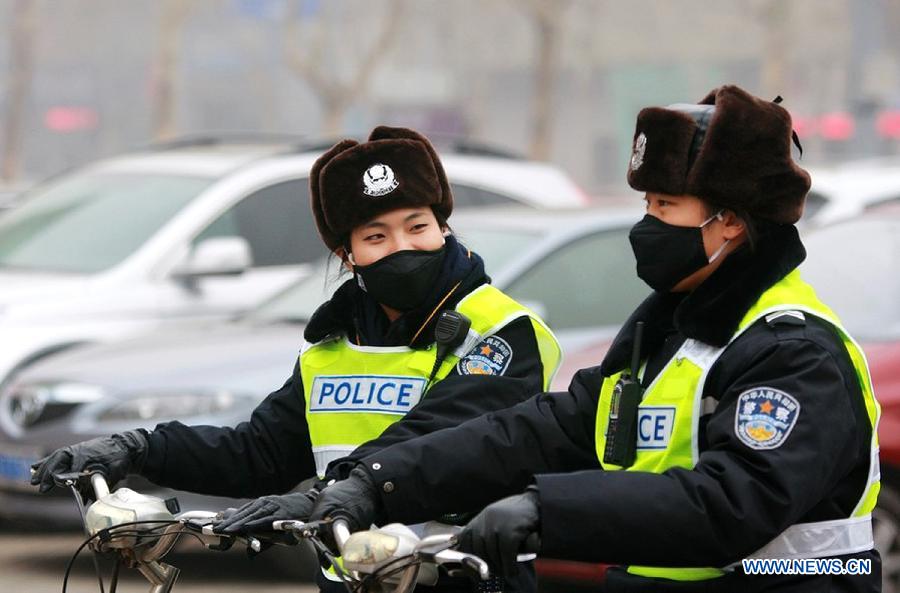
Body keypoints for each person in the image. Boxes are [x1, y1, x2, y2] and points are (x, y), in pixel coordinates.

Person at [304, 86, 882, 592]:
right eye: (646, 204)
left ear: (730, 221)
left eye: (665, 206)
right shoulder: (669, 335)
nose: (646, 225)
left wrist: (544, 510)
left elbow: (729, 505)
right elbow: (539, 430)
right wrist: (376, 483)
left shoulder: (793, 349)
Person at [30, 126, 562, 593]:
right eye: (376, 236)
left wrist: (326, 495)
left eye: (417, 226)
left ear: (443, 226)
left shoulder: (501, 330)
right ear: (347, 255)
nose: (403, 247)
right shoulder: (330, 347)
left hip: (461, 577)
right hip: (350, 579)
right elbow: (260, 453)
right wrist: (141, 448)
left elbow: (440, 438)